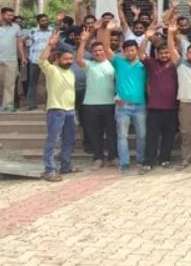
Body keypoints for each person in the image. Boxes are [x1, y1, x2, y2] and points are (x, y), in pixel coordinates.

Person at [101, 21, 148, 175]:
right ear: (123, 51)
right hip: (122, 106)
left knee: (142, 135)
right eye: (127, 51)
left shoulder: (143, 65)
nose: (129, 53)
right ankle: (125, 163)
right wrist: (108, 30)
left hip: (140, 105)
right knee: (122, 136)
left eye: (132, 50)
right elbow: (106, 48)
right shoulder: (118, 62)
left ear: (137, 50)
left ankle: (141, 160)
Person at [38, 31, 81, 182]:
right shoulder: (52, 70)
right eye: (66, 59)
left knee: (69, 140)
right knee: (53, 141)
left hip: (70, 111)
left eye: (70, 59)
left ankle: (65, 166)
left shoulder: (71, 73)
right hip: (56, 110)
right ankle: (49, 170)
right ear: (57, 59)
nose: (69, 61)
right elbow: (42, 60)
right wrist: (50, 45)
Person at [76, 25, 117, 170]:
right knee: (95, 133)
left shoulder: (113, 64)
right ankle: (98, 158)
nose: (98, 52)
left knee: (112, 132)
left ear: (105, 51)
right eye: (95, 51)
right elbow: (78, 59)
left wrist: (106, 31)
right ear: (92, 54)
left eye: (100, 50)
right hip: (90, 105)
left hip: (110, 104)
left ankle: (113, 157)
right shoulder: (89, 65)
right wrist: (83, 41)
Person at [140, 24, 180, 170]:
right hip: (154, 108)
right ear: (157, 54)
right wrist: (146, 38)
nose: (164, 55)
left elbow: (175, 49)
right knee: (152, 137)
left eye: (166, 53)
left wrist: (171, 34)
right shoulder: (152, 63)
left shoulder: (175, 65)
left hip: (171, 108)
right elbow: (140, 53)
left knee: (168, 136)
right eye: (161, 53)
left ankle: (165, 159)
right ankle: (149, 161)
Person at [23, 14, 54, 110]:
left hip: (48, 61)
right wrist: (26, 56)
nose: (45, 22)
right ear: (38, 22)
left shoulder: (53, 31)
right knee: (32, 82)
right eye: (42, 21)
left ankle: (49, 104)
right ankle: (31, 104)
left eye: (46, 20)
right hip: (35, 60)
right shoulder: (32, 31)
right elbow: (25, 42)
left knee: (50, 82)